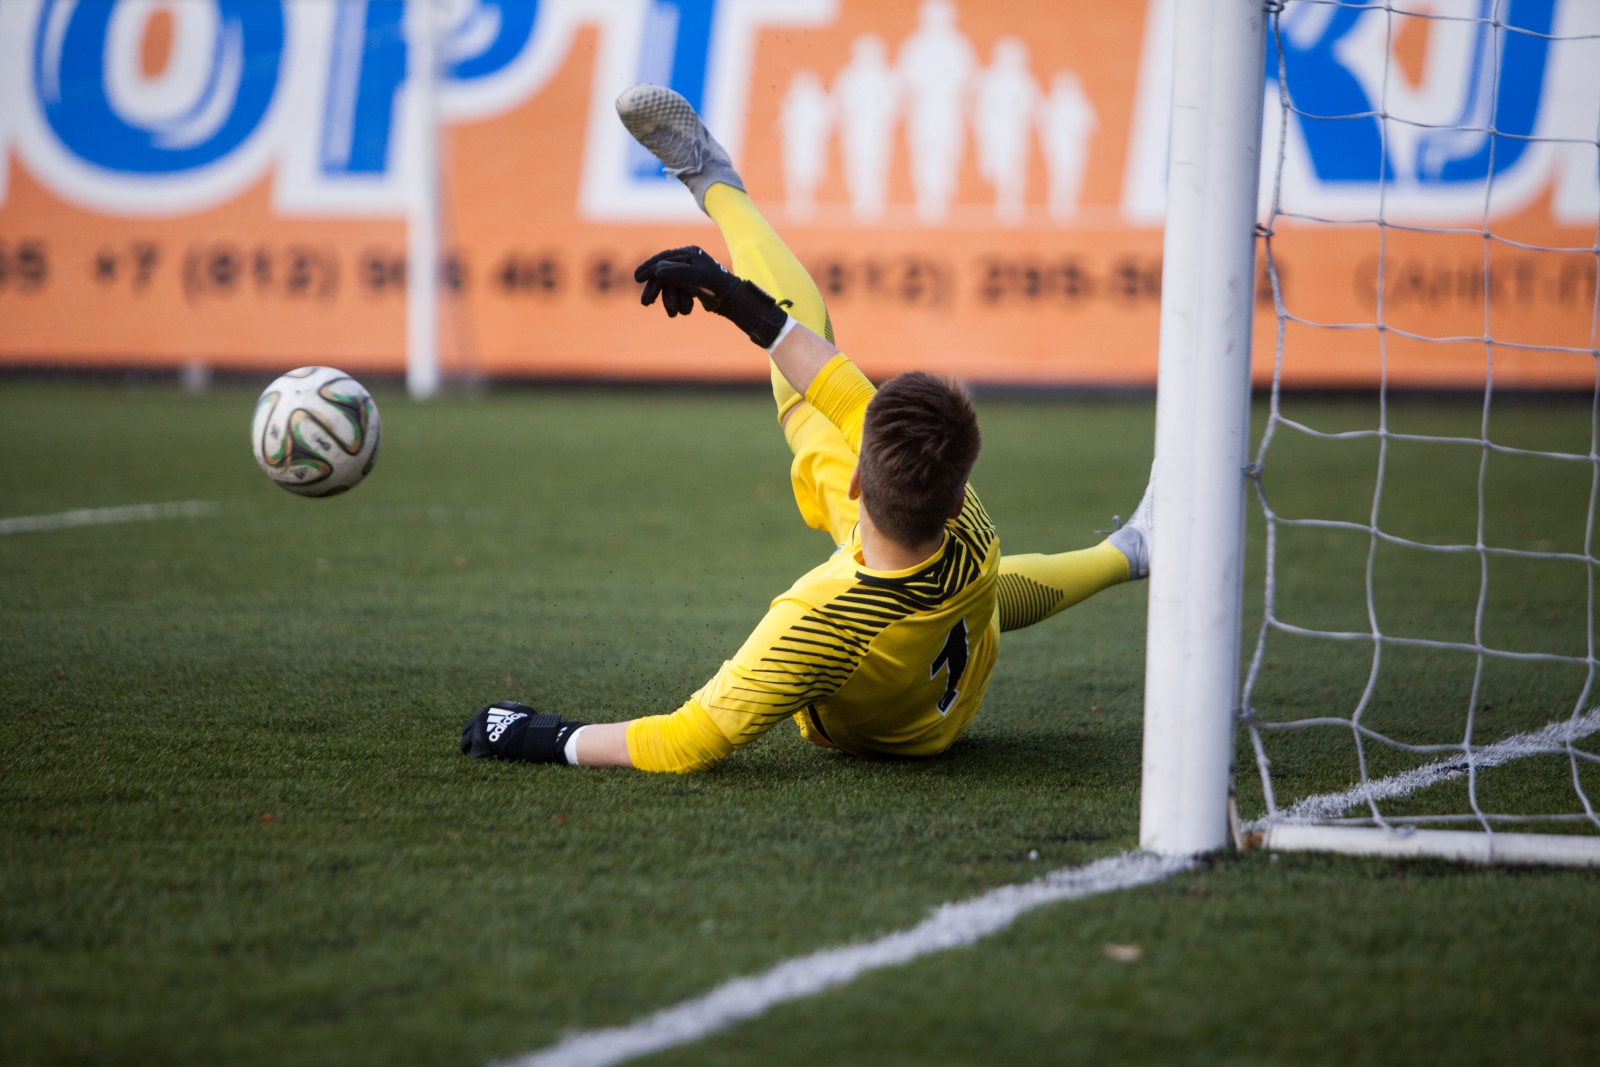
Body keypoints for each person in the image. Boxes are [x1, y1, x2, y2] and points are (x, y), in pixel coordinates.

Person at [459, 85, 1152, 772]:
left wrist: (537, 735)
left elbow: (687, 739)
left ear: (856, 477)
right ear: (957, 488)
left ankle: (714, 180)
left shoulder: (821, 618)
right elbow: (839, 383)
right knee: (977, 583)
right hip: (947, 654)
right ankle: (1134, 550)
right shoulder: (970, 524)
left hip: (885, 737)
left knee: (811, 399)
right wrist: (735, 299)